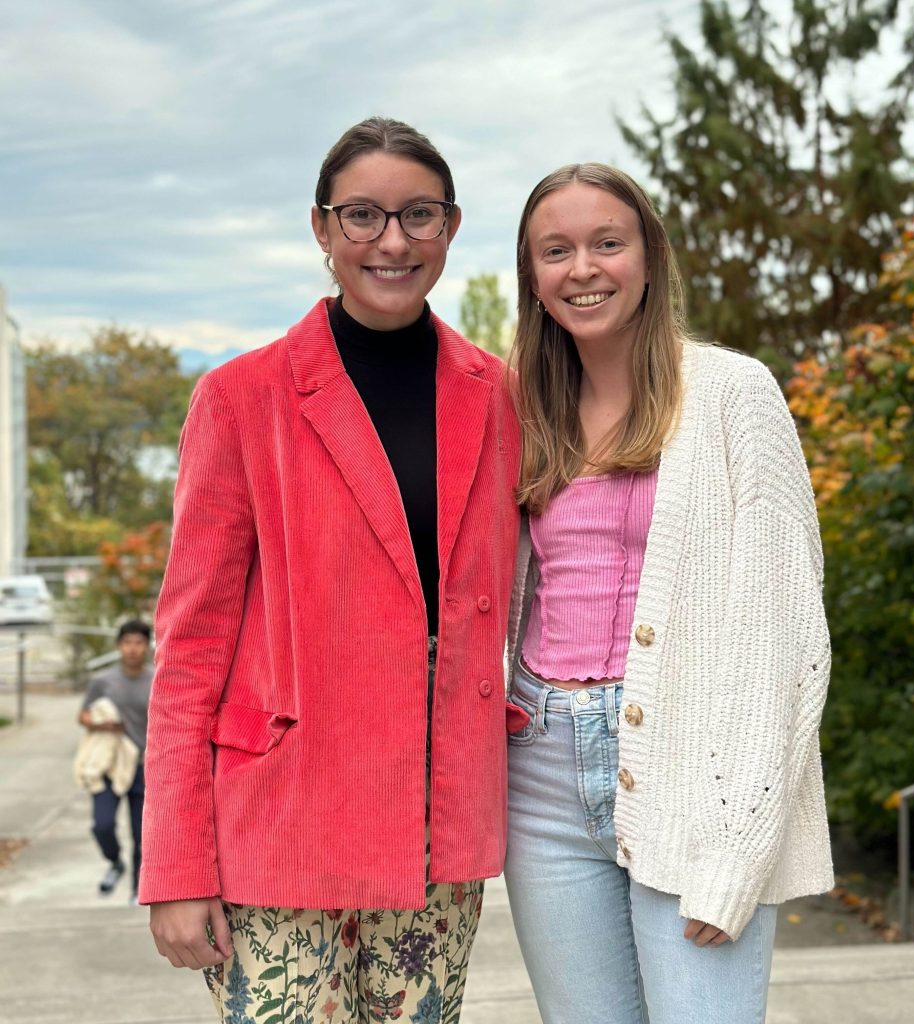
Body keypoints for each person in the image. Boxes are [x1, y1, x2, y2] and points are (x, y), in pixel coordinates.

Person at [139, 117, 521, 1024]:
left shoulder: (502, 395)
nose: (392, 241)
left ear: (452, 227)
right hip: (281, 825)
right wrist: (176, 865)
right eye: (362, 216)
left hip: (437, 828)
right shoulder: (241, 398)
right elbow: (190, 647)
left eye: (418, 215)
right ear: (322, 231)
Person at [503, 163, 834, 1024]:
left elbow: (787, 634)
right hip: (539, 771)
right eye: (557, 250)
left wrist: (740, 845)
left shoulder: (732, 393)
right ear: (532, 277)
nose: (584, 268)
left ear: (649, 257)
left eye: (607, 243)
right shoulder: (517, 409)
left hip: (694, 770)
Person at [77, 618, 153, 903]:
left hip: (143, 768)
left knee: (141, 835)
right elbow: (83, 715)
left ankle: (138, 890)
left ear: (146, 646)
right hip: (110, 765)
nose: (133, 649)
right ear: (119, 646)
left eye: (138, 643)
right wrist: (102, 725)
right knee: (102, 825)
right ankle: (115, 862)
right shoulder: (103, 681)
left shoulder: (157, 679)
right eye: (127, 643)